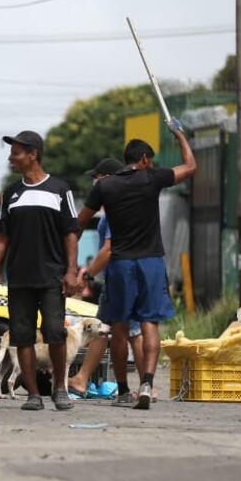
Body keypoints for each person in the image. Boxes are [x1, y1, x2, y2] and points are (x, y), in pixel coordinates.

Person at [76, 126, 196, 410]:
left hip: (120, 264)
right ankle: (147, 384)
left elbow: (78, 222)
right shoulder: (151, 178)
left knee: (118, 329)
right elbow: (191, 167)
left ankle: (122, 391)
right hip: (151, 263)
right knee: (149, 323)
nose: (151, 164)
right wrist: (180, 136)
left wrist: (72, 263)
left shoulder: (104, 187)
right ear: (143, 159)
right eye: (150, 160)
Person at [0, 131, 80, 411]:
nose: (10, 158)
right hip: (20, 277)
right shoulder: (11, 193)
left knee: (54, 332)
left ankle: (59, 389)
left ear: (33, 154)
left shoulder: (60, 189)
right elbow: (1, 235)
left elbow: (70, 234)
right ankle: (33, 395)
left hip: (52, 276)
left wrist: (71, 271)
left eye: (15, 153)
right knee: (22, 336)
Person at [69, 158, 144, 397]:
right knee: (104, 329)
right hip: (120, 279)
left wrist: (87, 275)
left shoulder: (115, 210)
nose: (93, 183)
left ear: (107, 179)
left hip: (122, 280)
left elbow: (109, 250)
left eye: (96, 178)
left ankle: (146, 386)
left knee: (133, 332)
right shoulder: (119, 208)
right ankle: (81, 379)